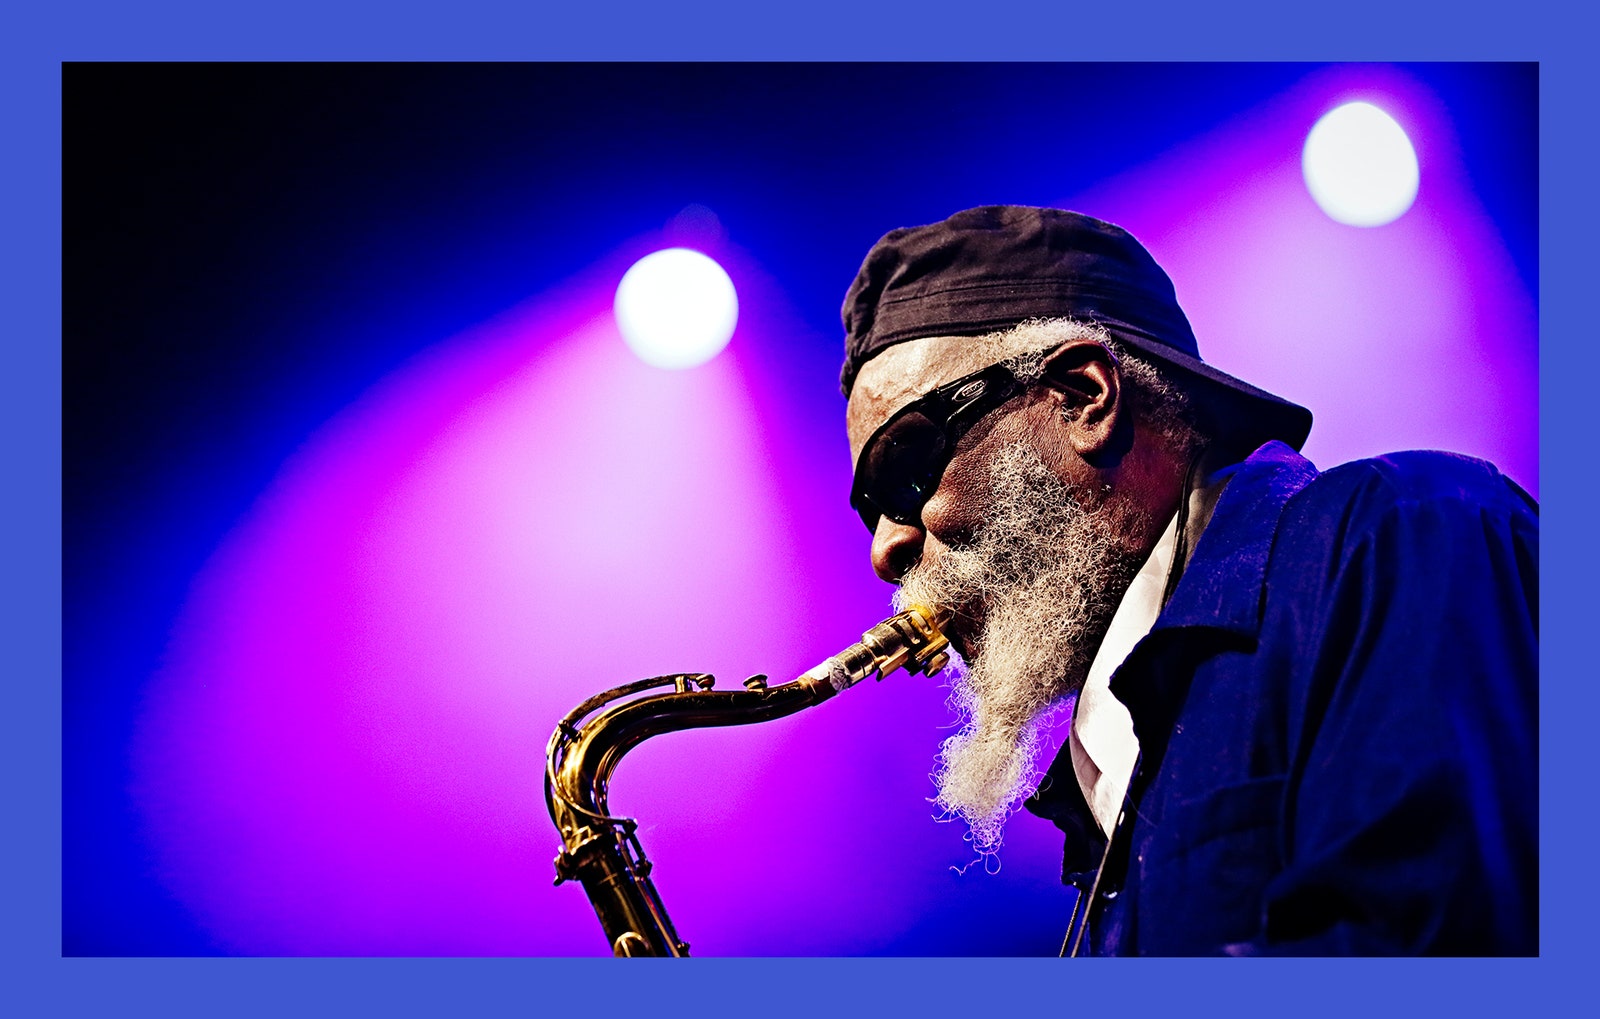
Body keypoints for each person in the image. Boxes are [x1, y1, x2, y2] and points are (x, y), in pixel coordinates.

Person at [839, 206, 1537, 956]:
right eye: (869, 510)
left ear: (1083, 398)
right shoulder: (1106, 756)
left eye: (904, 468)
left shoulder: (1399, 531)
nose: (885, 550)